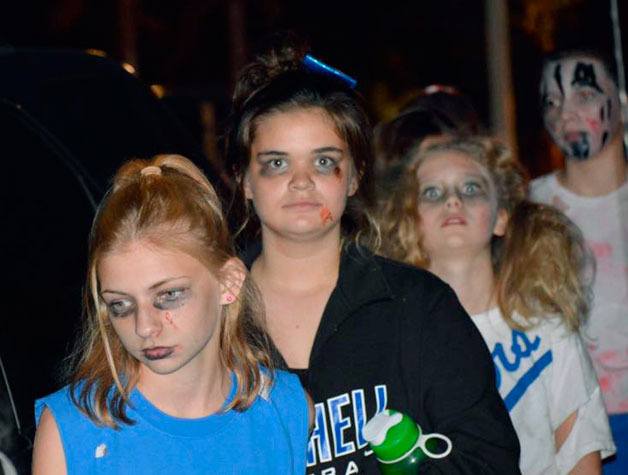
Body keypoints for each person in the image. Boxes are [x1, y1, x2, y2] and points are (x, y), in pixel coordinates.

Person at [226, 35, 520, 474]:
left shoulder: (420, 307)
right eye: (277, 163)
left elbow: (490, 461)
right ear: (245, 181)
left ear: (355, 177)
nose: (302, 181)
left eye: (324, 162)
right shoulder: (207, 316)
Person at [31, 154, 310, 474]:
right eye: (121, 305)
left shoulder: (285, 408)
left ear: (228, 282)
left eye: (168, 296)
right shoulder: (73, 431)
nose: (144, 327)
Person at [379, 136, 616, 473]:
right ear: (410, 221)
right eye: (432, 193)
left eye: (472, 189)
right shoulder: (392, 337)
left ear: (501, 217)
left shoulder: (547, 327)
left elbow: (580, 454)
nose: (453, 201)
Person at [531, 48, 627, 474]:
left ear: (620, 102)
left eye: (584, 95)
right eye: (553, 101)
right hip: (574, 430)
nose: (566, 113)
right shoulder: (526, 211)